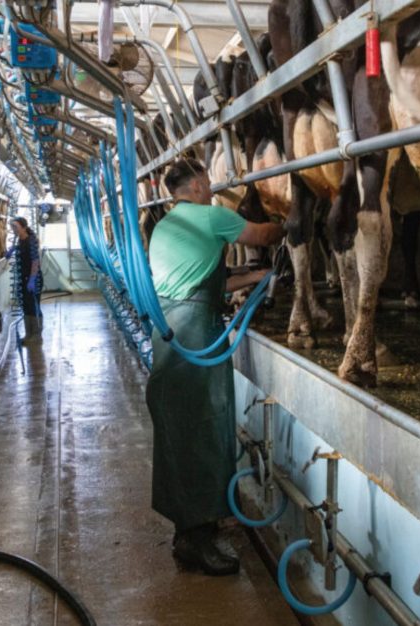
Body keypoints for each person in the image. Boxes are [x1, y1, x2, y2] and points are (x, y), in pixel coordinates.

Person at [144, 158, 285, 576]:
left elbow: (209, 284)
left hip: (171, 329)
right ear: (201, 184)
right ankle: (199, 539)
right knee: (202, 429)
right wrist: (291, 221)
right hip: (195, 336)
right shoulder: (213, 216)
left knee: (181, 431)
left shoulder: (166, 225)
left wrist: (256, 276)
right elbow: (261, 234)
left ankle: (189, 531)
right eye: (208, 182)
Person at [10, 216, 43, 345]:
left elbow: (35, 261)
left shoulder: (31, 241)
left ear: (23, 227)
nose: (13, 229)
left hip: (34, 279)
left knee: (34, 306)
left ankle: (37, 335)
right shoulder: (20, 240)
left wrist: (33, 279)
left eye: (16, 227)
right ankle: (29, 334)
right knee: (26, 306)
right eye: (12, 227)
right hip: (23, 278)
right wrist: (14, 249)